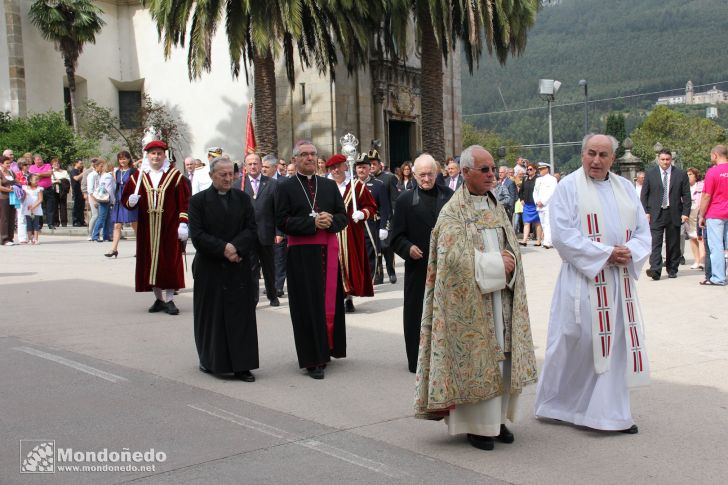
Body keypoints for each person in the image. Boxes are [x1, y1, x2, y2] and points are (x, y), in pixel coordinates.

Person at [414, 145, 537, 451]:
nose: (492, 175)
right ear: (465, 172)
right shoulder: (453, 211)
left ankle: (497, 421)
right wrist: (498, 264)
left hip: (501, 298)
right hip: (471, 303)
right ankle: (477, 426)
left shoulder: (495, 204)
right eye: (484, 170)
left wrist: (511, 261)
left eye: (493, 169)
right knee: (477, 359)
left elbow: (510, 242)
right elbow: (452, 258)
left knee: (501, 359)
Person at [535, 133, 651, 434]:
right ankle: (559, 403)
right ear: (582, 153)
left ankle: (609, 414)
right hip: (582, 280)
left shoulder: (625, 188)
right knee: (576, 341)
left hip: (618, 283)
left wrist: (629, 253)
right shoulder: (568, 188)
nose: (596, 160)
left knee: (614, 344)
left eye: (603, 155)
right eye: (591, 153)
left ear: (612, 159)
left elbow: (642, 232)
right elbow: (562, 235)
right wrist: (604, 254)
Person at [275, 140, 348, 379]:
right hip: (301, 256)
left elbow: (343, 216)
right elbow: (281, 221)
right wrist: (311, 223)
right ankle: (312, 360)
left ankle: (327, 347)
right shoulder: (285, 187)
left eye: (312, 154)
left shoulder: (327, 185)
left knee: (327, 303)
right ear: (295, 159)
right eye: (304, 155)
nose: (309, 158)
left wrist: (330, 221)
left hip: (327, 251)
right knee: (307, 306)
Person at [189, 156, 259, 382]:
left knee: (241, 317)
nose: (229, 178)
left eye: (232, 174)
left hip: (238, 264)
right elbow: (197, 235)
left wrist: (235, 247)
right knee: (212, 317)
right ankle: (210, 361)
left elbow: (251, 229)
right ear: (211, 176)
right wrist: (223, 248)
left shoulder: (243, 198)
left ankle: (242, 365)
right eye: (223, 175)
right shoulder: (198, 201)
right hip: (211, 266)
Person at [390, 153, 453, 373]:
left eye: (430, 174)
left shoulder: (449, 196)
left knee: (447, 312)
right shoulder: (405, 200)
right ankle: (416, 359)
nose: (426, 179)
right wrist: (407, 248)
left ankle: (445, 358)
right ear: (414, 175)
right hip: (418, 267)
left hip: (447, 267)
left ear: (436, 173)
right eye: (422, 175)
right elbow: (395, 237)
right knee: (417, 313)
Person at [122, 140, 191, 315]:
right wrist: (130, 201)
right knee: (150, 262)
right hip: (147, 227)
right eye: (153, 153)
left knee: (168, 262)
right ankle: (159, 298)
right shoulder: (137, 177)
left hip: (168, 226)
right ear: (148, 155)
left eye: (159, 153)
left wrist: (183, 223)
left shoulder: (175, 176)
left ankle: (169, 299)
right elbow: (126, 200)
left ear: (164, 156)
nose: (156, 156)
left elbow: (184, 202)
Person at [327, 154, 377, 313]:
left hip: (350, 233)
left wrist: (362, 213)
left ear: (345, 166)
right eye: (332, 168)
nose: (335, 170)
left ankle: (348, 297)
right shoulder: (324, 185)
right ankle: (335, 296)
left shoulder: (357, 186)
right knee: (331, 265)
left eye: (338, 166)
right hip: (329, 232)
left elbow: (371, 207)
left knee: (349, 265)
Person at [640, 149, 691, 280]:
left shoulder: (680, 174)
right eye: (663, 159)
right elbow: (644, 195)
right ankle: (655, 270)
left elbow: (686, 195)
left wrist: (685, 213)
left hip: (674, 212)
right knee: (655, 242)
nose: (665, 162)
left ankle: (672, 268)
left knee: (673, 243)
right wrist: (645, 212)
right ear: (658, 159)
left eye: (667, 159)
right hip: (655, 213)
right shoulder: (650, 174)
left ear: (671, 160)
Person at [241, 152, 280, 307]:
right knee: (251, 268)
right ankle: (253, 297)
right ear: (245, 167)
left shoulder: (272, 184)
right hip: (248, 235)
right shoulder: (239, 185)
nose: (253, 166)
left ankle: (272, 294)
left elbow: (278, 210)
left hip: (266, 232)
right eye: (249, 163)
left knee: (269, 267)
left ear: (260, 165)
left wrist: (279, 232)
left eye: (255, 163)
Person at [698, 145, 728, 286]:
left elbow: (706, 196)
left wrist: (701, 215)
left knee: (716, 247)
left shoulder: (713, 172)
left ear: (715, 155)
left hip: (715, 213)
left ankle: (718, 277)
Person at [369, 149, 399, 284]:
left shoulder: (388, 178)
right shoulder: (366, 180)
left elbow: (394, 200)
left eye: (374, 163)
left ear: (380, 164)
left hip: (385, 218)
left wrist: (392, 220)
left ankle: (391, 270)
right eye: (370, 164)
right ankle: (378, 274)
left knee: (386, 246)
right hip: (371, 220)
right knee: (376, 248)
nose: (372, 166)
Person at [106, 151, 138, 258]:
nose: (122, 161)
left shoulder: (133, 171)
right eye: (120, 159)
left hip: (129, 199)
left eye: (124, 158)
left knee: (135, 225)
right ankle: (113, 249)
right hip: (119, 199)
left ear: (129, 159)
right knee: (117, 225)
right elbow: (116, 186)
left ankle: (140, 248)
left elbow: (138, 185)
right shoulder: (117, 171)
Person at [533, 162, 558, 249]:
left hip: (548, 205)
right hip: (539, 206)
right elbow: (535, 192)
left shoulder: (552, 179)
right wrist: (537, 201)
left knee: (548, 223)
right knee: (543, 224)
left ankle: (548, 242)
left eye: (542, 169)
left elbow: (552, 192)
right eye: (539, 169)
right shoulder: (538, 180)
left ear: (547, 169)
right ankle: (547, 241)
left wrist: (543, 202)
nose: (540, 171)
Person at [90, 159, 115, 243]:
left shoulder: (103, 175)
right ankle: (95, 236)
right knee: (102, 218)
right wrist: (112, 200)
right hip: (106, 199)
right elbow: (109, 189)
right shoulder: (108, 176)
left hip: (103, 198)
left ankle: (106, 236)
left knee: (107, 218)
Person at [685, 167, 705, 270]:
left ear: (696, 176)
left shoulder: (701, 185)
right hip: (688, 213)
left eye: (691, 174)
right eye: (687, 174)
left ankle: (702, 260)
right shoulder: (684, 186)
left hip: (698, 212)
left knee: (700, 237)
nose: (688, 177)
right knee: (692, 237)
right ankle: (696, 260)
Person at [518, 162, 541, 246]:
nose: (529, 171)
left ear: (535, 170)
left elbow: (541, 191)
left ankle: (538, 241)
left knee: (537, 223)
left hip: (535, 204)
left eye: (530, 169)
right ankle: (524, 240)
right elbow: (521, 191)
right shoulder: (525, 179)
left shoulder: (538, 179)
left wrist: (540, 201)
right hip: (526, 204)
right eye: (527, 169)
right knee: (526, 222)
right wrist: (521, 199)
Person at [28, 154, 53, 229]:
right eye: (37, 160)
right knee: (39, 207)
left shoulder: (47, 165)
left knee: (50, 207)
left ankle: (50, 224)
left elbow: (49, 173)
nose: (39, 161)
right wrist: (43, 175)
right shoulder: (32, 167)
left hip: (48, 188)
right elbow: (32, 176)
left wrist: (38, 174)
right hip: (37, 190)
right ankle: (39, 224)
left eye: (40, 159)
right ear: (34, 161)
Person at [0, 155, 18, 245]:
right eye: (7, 163)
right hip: (3, 198)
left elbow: (16, 182)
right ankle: (4, 239)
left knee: (12, 217)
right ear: (1, 164)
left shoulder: (11, 172)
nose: (9, 164)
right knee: (4, 218)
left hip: (13, 197)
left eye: (10, 163)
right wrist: (9, 190)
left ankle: (10, 238)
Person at [22, 174, 44, 245]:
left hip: (36, 209)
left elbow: (40, 199)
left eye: (38, 179)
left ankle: (36, 239)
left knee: (36, 224)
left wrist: (33, 207)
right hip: (27, 209)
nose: (37, 181)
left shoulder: (39, 189)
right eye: (35, 179)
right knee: (28, 224)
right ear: (30, 180)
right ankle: (30, 239)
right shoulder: (25, 188)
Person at [51, 158, 71, 227]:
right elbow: (49, 181)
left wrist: (60, 181)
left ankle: (64, 222)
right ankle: (56, 222)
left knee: (63, 206)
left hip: (62, 190)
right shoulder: (50, 172)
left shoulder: (64, 172)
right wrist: (56, 181)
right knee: (54, 206)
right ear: (52, 165)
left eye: (57, 163)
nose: (56, 165)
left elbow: (68, 180)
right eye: (54, 164)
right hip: (54, 190)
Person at [86, 158, 101, 240]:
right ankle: (90, 233)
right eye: (100, 166)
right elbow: (90, 189)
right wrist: (94, 200)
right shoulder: (92, 175)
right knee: (95, 215)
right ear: (96, 166)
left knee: (99, 216)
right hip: (93, 196)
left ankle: (96, 233)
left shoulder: (99, 175)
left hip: (99, 196)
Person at [69, 160, 86, 226]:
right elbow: (76, 178)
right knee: (76, 206)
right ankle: (75, 221)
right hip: (76, 190)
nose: (81, 164)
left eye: (82, 163)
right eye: (80, 163)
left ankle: (81, 220)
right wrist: (83, 173)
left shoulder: (80, 171)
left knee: (82, 206)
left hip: (82, 191)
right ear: (76, 163)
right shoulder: (73, 171)